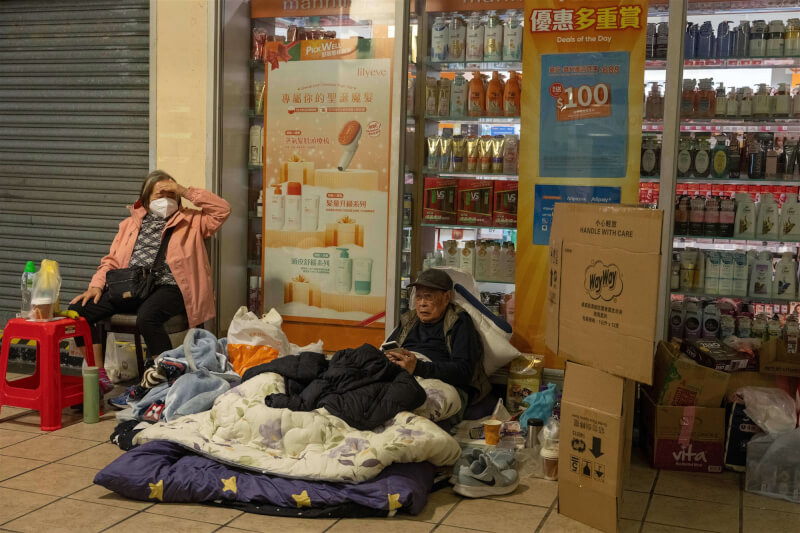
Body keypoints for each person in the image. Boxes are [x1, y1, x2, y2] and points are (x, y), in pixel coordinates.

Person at [69, 170, 231, 397]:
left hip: (172, 288)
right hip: (132, 286)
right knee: (78, 311)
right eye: (158, 195)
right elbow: (112, 260)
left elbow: (222, 210)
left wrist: (184, 190)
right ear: (145, 199)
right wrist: (96, 285)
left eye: (170, 195)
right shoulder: (129, 225)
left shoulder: (192, 220)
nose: (165, 200)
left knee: (148, 317)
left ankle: (165, 379)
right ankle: (99, 377)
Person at [385, 269, 490, 420]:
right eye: (419, 297)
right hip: (403, 376)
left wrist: (418, 367)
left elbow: (464, 371)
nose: (422, 304)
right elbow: (390, 347)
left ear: (447, 297)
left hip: (440, 382)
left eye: (428, 297)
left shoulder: (459, 322)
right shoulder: (409, 319)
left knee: (413, 408)